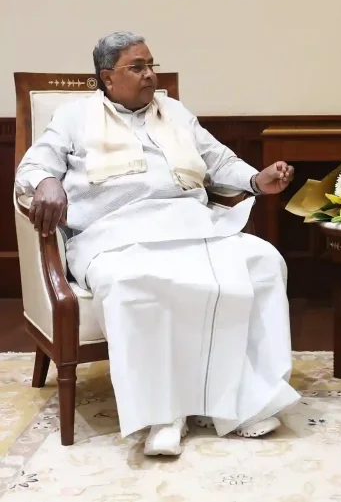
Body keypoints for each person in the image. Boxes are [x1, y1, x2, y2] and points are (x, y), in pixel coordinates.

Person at [15, 31, 300, 456]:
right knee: (133, 282)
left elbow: (219, 161)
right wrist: (48, 181)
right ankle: (163, 415)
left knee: (262, 261)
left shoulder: (176, 113)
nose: (150, 75)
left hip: (190, 223)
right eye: (138, 67)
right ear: (108, 78)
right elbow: (35, 165)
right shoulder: (74, 117)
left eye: (151, 65)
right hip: (114, 233)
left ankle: (243, 402)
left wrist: (256, 180)